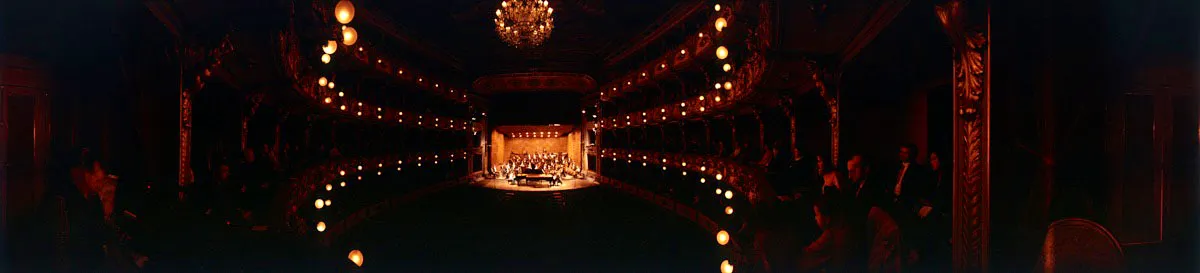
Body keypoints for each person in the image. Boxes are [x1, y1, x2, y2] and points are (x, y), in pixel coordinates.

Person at [798, 195, 868, 273]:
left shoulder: (830, 235)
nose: (815, 218)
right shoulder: (844, 226)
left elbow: (809, 253)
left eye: (817, 214)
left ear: (827, 218)